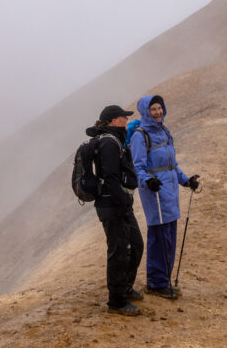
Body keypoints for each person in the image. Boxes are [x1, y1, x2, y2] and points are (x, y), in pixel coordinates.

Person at [130, 95, 200, 299]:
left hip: (169, 191)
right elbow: (138, 166)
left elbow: (173, 165)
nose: (158, 112)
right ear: (145, 111)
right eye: (153, 109)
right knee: (159, 237)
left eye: (160, 108)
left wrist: (186, 181)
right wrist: (148, 181)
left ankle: (163, 280)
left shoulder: (164, 131)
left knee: (169, 236)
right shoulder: (140, 136)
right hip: (155, 192)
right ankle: (156, 283)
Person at [86, 105, 144, 316]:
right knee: (119, 252)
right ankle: (116, 302)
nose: (126, 121)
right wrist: (122, 202)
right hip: (113, 206)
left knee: (135, 245)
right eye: (123, 118)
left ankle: (125, 288)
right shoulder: (109, 143)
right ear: (113, 121)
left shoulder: (115, 140)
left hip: (119, 205)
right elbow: (110, 177)